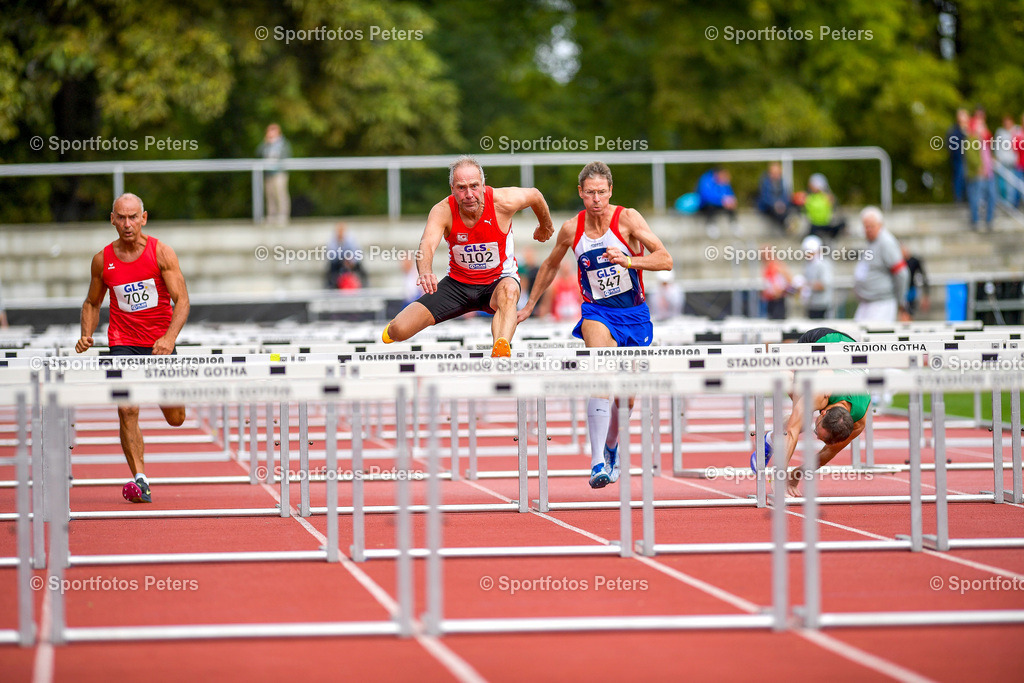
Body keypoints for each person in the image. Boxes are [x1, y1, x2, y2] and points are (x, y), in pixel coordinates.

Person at [518, 161, 673, 488]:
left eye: (602, 192)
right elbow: (549, 265)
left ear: (610, 191)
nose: (597, 199)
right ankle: (596, 462)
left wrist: (629, 259)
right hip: (596, 313)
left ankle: (611, 447)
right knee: (601, 371)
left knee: (626, 397)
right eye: (590, 193)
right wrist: (529, 305)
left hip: (634, 315)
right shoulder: (572, 229)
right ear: (581, 193)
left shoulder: (628, 219)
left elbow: (665, 258)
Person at [75, 193, 190, 504]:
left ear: (144, 218)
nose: (127, 224)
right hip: (122, 341)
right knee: (127, 408)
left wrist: (169, 338)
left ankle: (155, 389)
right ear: (113, 219)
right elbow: (92, 302)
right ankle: (141, 479)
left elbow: (183, 301)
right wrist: (87, 333)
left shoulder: (161, 253)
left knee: (176, 417)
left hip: (159, 346)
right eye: (121, 218)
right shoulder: (102, 259)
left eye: (133, 217)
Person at [381, 155, 554, 357]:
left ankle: (500, 350)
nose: (469, 194)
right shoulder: (443, 211)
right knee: (398, 330)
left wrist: (546, 225)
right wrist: (426, 271)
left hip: (497, 282)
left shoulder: (502, 201)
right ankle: (395, 327)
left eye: (474, 186)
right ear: (452, 190)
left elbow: (534, 195)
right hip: (457, 285)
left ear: (483, 185)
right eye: (461, 188)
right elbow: (426, 244)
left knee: (509, 291)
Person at [751, 327, 871, 497]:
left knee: (801, 420)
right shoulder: (819, 392)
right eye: (818, 431)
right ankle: (775, 370)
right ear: (823, 412)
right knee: (801, 422)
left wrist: (796, 474)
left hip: (847, 349)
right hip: (818, 341)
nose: (816, 436)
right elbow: (791, 432)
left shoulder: (858, 423)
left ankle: (769, 439)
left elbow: (828, 452)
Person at [853, 207, 909, 322]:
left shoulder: (886, 243)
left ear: (880, 225)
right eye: (866, 226)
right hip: (867, 302)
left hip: (882, 304)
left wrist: (901, 302)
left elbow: (901, 273)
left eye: (871, 226)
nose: (868, 230)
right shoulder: (871, 242)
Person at [966, 107, 996, 231]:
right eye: (980, 125)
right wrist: (979, 167)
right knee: (976, 197)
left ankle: (989, 221)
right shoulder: (971, 139)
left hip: (989, 173)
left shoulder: (985, 140)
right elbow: (971, 156)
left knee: (992, 196)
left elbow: (989, 154)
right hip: (978, 173)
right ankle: (976, 221)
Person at [258, 123, 291, 224]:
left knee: (280, 194)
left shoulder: (284, 143)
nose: (270, 133)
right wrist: (265, 143)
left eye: (272, 131)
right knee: (270, 195)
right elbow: (258, 153)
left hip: (280, 172)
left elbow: (286, 156)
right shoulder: (266, 144)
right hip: (269, 173)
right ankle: (271, 216)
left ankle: (283, 216)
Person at [696, 167, 738, 238]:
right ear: (717, 174)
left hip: (719, 204)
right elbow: (706, 196)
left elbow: (729, 194)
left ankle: (734, 224)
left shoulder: (724, 182)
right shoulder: (706, 180)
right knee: (710, 206)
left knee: (730, 206)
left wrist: (731, 200)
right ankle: (711, 225)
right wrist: (722, 201)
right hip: (705, 205)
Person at [800, 235, 834, 319]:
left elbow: (824, 285)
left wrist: (806, 285)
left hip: (822, 305)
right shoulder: (808, 264)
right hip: (812, 305)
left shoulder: (823, 264)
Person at [804, 173, 845, 240]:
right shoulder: (808, 197)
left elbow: (836, 212)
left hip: (826, 224)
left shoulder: (828, 197)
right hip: (814, 225)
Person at [326, 222, 366, 289]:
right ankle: (331, 285)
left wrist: (350, 260)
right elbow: (331, 255)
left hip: (351, 262)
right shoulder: (333, 241)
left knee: (361, 269)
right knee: (331, 269)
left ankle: (363, 285)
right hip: (338, 263)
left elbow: (357, 252)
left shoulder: (351, 239)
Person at [757, 162, 792, 232]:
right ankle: (786, 225)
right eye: (774, 172)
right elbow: (765, 198)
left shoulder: (782, 182)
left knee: (790, 208)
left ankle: (786, 225)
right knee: (777, 213)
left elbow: (786, 195)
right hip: (767, 207)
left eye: (778, 173)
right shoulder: (765, 182)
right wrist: (775, 204)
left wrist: (782, 204)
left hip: (780, 206)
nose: (776, 175)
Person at [760, 246, 792, 320]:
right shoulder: (766, 267)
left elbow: (789, 281)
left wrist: (781, 290)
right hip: (770, 300)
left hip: (778, 301)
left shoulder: (777, 265)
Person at [994, 115, 1020, 206]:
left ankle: (1010, 204)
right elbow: (996, 146)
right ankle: (1002, 203)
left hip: (1012, 163)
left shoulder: (1017, 130)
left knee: (1011, 185)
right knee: (1001, 185)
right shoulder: (1000, 132)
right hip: (1002, 162)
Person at [901, 245, 930, 320]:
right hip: (901, 291)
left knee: (909, 312)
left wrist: (926, 295)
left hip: (911, 290)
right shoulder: (898, 262)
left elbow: (924, 277)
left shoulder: (914, 261)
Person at [947, 109, 969, 203]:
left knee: (968, 179)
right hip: (959, 158)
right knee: (959, 178)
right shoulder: (954, 130)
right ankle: (958, 199)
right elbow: (951, 145)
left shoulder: (969, 129)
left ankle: (966, 198)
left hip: (968, 159)